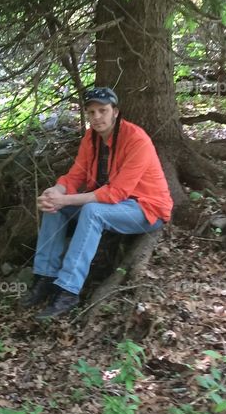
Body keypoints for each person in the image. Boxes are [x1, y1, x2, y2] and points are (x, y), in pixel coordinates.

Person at [21, 87, 173, 319]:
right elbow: (75, 176)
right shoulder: (90, 139)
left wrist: (67, 199)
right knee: (53, 207)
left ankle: (68, 290)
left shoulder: (136, 139)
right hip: (111, 206)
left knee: (92, 211)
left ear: (115, 112)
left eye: (103, 110)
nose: (97, 117)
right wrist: (56, 191)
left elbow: (116, 193)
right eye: (91, 112)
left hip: (145, 209)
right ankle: (45, 277)